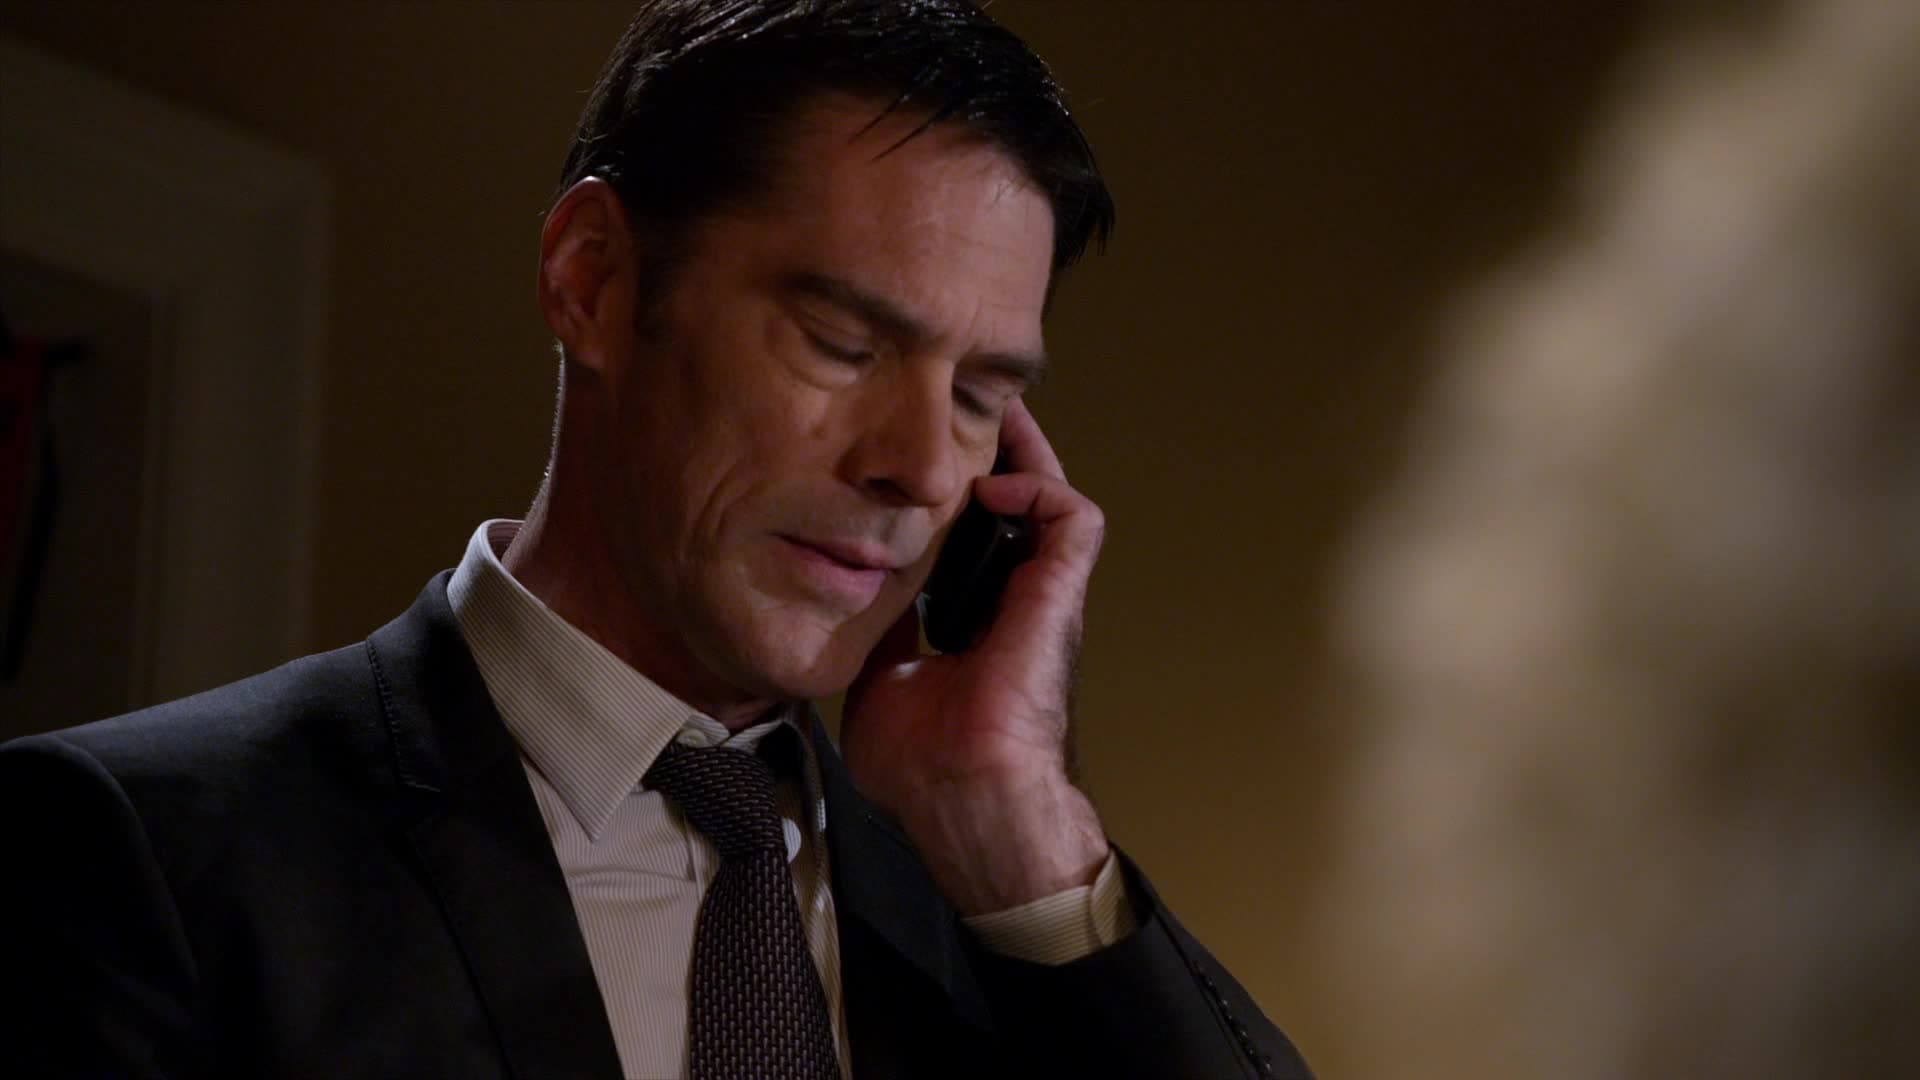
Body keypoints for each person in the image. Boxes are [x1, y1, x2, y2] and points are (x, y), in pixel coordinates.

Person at [0, 2, 1308, 1077]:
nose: (918, 468)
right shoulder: (139, 853)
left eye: (980, 395)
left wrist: (1024, 828)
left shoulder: (1013, 921)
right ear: (594, 280)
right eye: (843, 344)